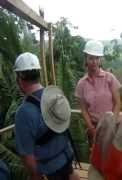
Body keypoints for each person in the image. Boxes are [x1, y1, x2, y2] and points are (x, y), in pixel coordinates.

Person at [14, 52, 79, 180]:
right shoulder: (56, 96)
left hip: (50, 172)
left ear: (19, 78)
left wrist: (37, 176)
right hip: (67, 161)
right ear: (39, 74)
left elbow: (27, 156)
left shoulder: (23, 113)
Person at [75, 40, 122, 144]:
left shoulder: (109, 78)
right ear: (86, 59)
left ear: (100, 59)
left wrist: (111, 124)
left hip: (114, 126)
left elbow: (118, 103)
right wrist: (91, 129)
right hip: (95, 127)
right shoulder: (81, 84)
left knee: (114, 158)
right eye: (91, 58)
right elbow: (83, 109)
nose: (94, 62)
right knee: (97, 158)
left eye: (97, 58)